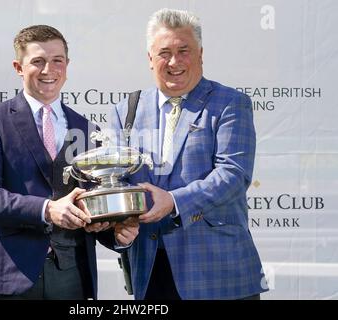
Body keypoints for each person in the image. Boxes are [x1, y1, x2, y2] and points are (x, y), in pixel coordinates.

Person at [0, 24, 138, 300]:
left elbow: (90, 206)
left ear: (67, 65)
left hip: (73, 277)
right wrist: (47, 209)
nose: (49, 70)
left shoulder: (86, 128)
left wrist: (116, 233)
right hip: (10, 273)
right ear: (18, 67)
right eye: (38, 61)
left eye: (57, 60)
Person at [110, 8, 268, 300]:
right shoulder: (125, 111)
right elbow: (118, 183)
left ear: (200, 54)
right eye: (164, 52)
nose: (174, 61)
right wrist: (119, 222)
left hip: (217, 271)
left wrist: (173, 201)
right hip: (149, 271)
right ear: (150, 59)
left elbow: (233, 174)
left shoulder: (230, 103)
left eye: (184, 50)